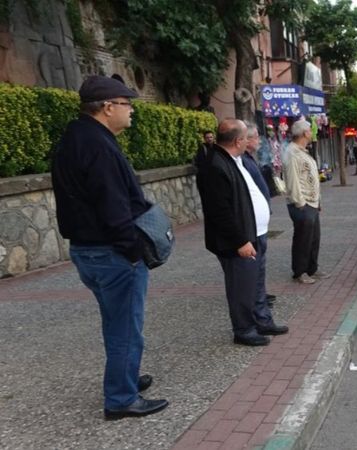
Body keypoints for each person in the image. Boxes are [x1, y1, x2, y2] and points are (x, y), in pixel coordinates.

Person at [51, 75, 169, 420]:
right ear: (107, 107)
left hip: (88, 250)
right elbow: (112, 205)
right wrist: (132, 251)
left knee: (115, 322)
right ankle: (120, 398)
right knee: (124, 327)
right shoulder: (98, 146)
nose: (131, 110)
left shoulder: (75, 137)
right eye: (127, 104)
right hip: (111, 253)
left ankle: (126, 377)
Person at [196, 119, 289, 346]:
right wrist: (240, 241)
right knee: (241, 287)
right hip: (239, 241)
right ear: (238, 140)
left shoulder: (236, 159)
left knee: (256, 282)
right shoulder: (215, 165)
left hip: (255, 233)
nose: (249, 141)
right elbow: (220, 211)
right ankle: (244, 330)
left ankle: (262, 320)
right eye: (246, 137)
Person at [283, 120, 330, 284]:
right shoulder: (292, 153)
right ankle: (300, 271)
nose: (312, 132)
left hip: (312, 202)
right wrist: (300, 202)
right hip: (302, 203)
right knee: (303, 238)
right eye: (310, 130)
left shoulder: (303, 151)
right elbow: (292, 180)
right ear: (304, 133)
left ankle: (312, 268)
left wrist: (318, 201)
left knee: (314, 238)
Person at [244, 122, 279, 312]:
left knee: (260, 265)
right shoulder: (243, 161)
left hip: (260, 225)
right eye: (256, 137)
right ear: (246, 140)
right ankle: (257, 301)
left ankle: (260, 295)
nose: (259, 140)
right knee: (255, 265)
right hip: (253, 227)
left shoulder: (250, 158)